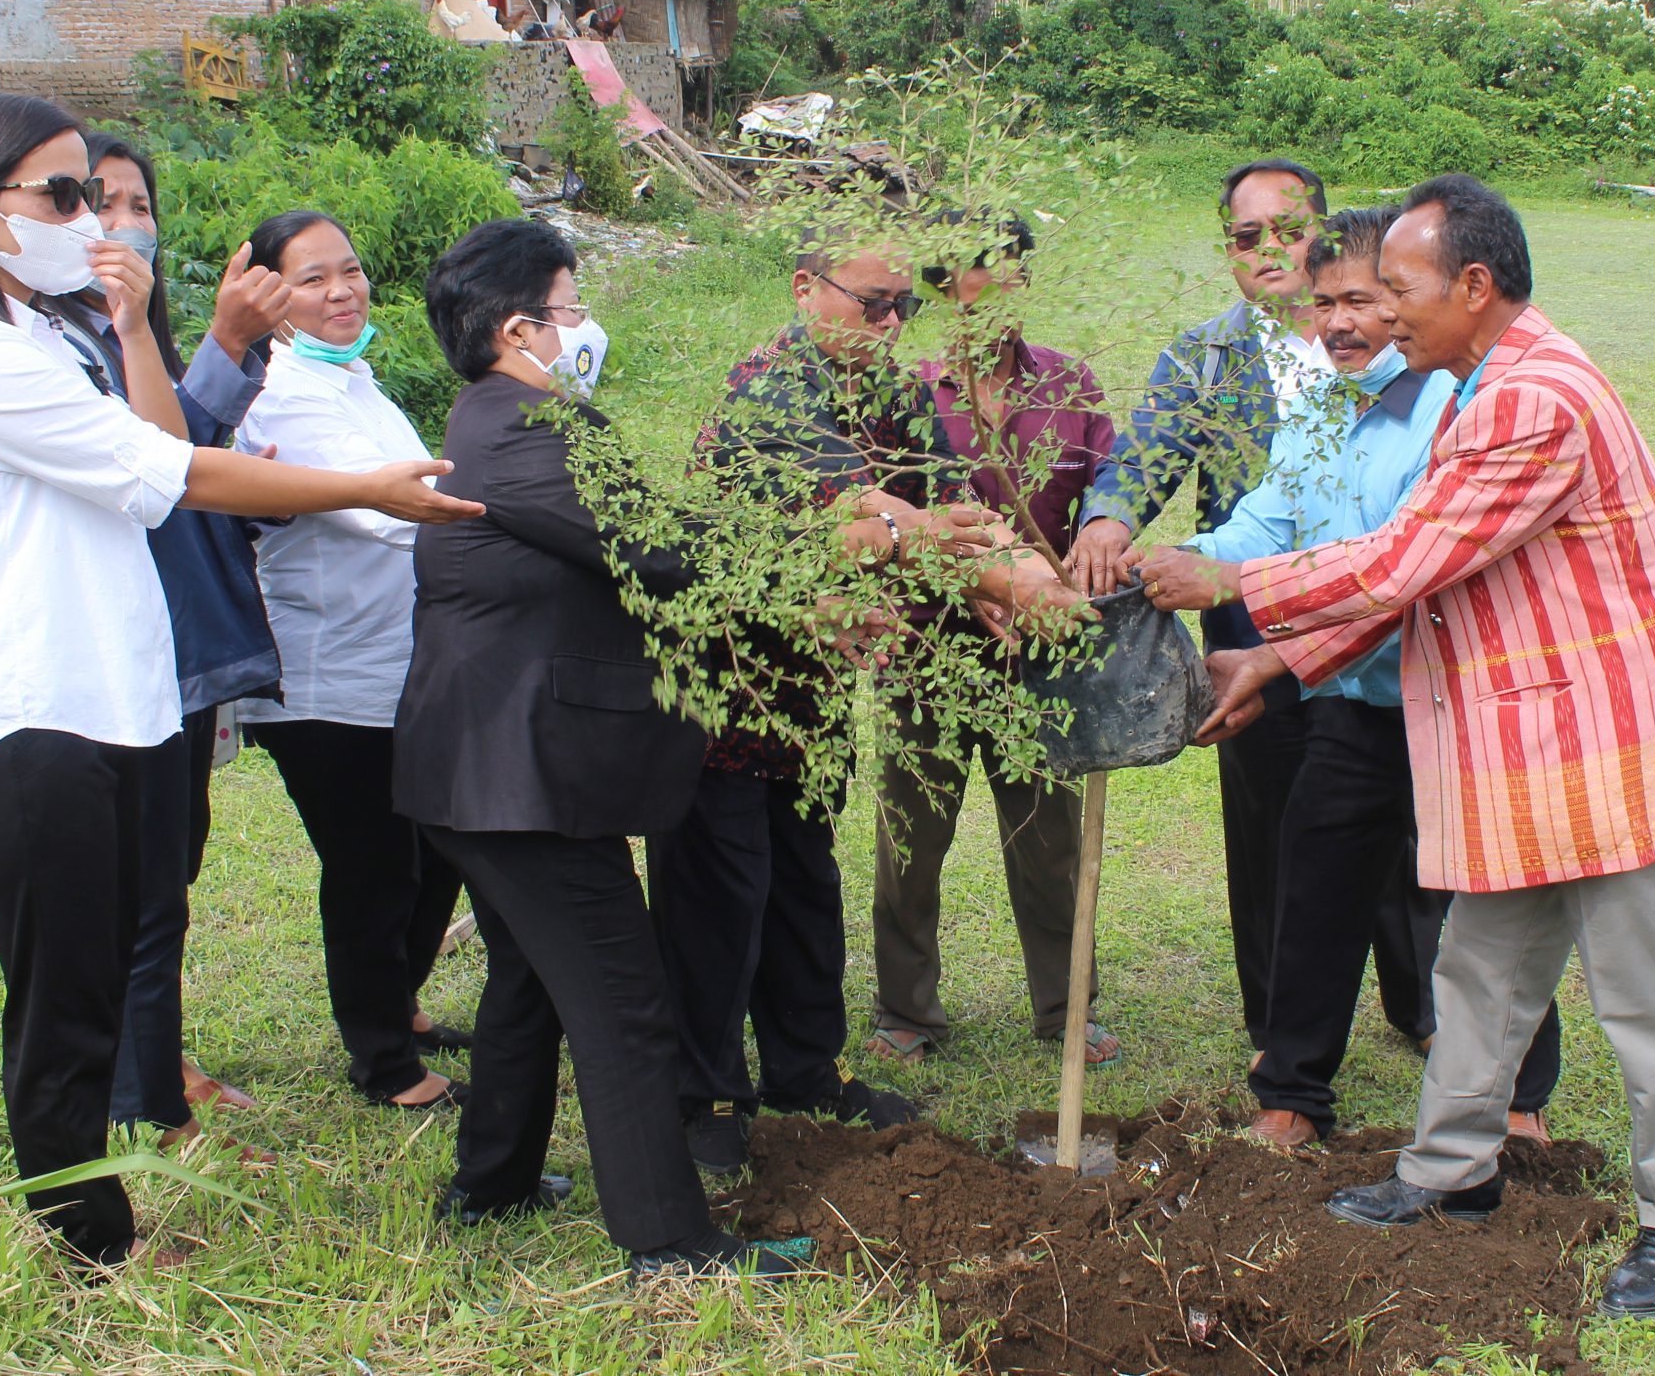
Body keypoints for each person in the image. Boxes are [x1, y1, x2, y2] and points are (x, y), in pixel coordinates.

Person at [0, 93, 478, 1269]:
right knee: (62, 1004)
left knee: (110, 969)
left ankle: (111, 1196)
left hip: (116, 702)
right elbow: (181, 472)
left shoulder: (55, 337)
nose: (91, 219)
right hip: (25, 714)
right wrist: (366, 489)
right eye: (62, 197)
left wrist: (136, 323)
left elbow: (162, 426)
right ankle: (87, 1248)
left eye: (104, 196)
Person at [1140, 174, 1655, 1318]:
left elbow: (1406, 560)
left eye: (1399, 289)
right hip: (1524, 745)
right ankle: (1447, 1173)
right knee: (1479, 969)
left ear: (1475, 285)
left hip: (1604, 743)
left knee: (1649, 997)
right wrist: (1279, 656)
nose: (1376, 314)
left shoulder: (1532, 400)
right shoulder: (1478, 382)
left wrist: (1233, 587)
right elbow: (1423, 574)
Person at [393, 218, 801, 1279]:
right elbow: (655, 548)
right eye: (573, 309)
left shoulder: (509, 420)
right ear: (522, 328)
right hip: (509, 772)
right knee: (623, 1000)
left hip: (495, 766)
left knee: (528, 974)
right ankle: (668, 1242)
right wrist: (830, 541)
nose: (585, 326)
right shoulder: (520, 429)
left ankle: (496, 1180)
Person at [648, 233, 1076, 1175]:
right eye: (871, 302)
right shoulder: (770, 385)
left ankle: (808, 1072)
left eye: (901, 308)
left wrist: (987, 569)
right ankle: (702, 1097)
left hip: (813, 693)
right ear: (807, 289)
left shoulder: (890, 388)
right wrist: (997, 576)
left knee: (804, 884)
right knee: (721, 898)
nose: (889, 324)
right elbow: (869, 520)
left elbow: (945, 500)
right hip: (729, 687)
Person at [1146, 207, 1559, 1149]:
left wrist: (1245, 598)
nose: (1336, 321)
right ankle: (1291, 1095)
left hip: (1454, 703)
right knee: (1317, 884)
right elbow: (1265, 521)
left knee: (1482, 903)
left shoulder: (1455, 409)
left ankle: (1520, 1103)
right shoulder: (1322, 406)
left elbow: (1399, 567)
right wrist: (1165, 561)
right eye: (1323, 301)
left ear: (1411, 300)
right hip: (1354, 702)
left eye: (1363, 300)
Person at [1065, 158, 1330, 1050]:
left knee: (1399, 812)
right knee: (1266, 826)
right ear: (1229, 250)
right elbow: (1142, 455)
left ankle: (1421, 1008)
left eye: (1287, 228)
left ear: (1322, 230)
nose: (1270, 250)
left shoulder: (1376, 334)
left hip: (1377, 614)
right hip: (1248, 617)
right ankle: (1278, 1026)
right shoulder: (1207, 357)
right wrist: (1107, 517)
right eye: (1247, 236)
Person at [866, 217, 1118, 1069]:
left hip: (1038, 657)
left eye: (1008, 268)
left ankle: (1066, 1005)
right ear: (943, 288)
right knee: (913, 835)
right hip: (930, 647)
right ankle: (906, 1009)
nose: (992, 285)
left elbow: (1108, 483)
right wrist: (968, 584)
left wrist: (1100, 540)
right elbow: (880, 518)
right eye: (974, 271)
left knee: (1049, 839)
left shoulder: (1070, 385)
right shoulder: (904, 393)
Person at [231, 211, 467, 1112]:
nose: (341, 292)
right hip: (326, 680)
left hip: (395, 668)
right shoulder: (283, 397)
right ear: (268, 296)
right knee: (372, 866)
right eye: (312, 278)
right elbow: (389, 509)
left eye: (351, 271)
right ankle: (384, 1064)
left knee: (428, 853)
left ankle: (397, 1009)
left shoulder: (353, 381)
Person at [80, 132, 285, 1152]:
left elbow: (182, 448)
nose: (125, 223)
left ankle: (152, 1064)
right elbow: (159, 469)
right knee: (145, 886)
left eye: (138, 202)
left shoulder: (131, 329)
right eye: (98, 202)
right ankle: (141, 1098)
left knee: (174, 865)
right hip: (132, 648)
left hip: (184, 644)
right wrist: (228, 346)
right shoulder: (59, 339)